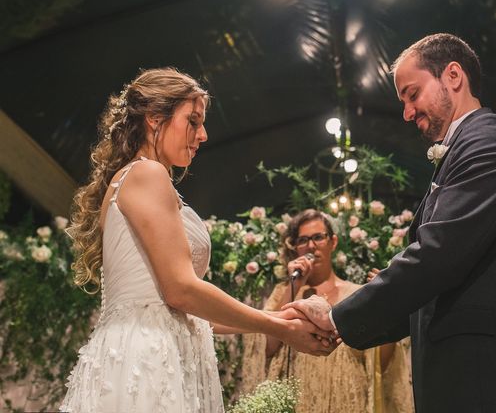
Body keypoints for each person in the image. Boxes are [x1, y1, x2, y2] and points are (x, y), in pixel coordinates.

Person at [284, 34, 496, 412]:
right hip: (460, 379)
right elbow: (429, 291)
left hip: (487, 378)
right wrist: (345, 324)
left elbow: (438, 255)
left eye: (412, 94)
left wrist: (337, 316)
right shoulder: (464, 149)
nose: (407, 112)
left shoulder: (491, 140)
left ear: (453, 76)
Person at [60, 68, 334, 413]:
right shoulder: (147, 174)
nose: (203, 135)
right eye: (193, 121)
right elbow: (181, 290)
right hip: (148, 359)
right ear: (154, 119)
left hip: (156, 350)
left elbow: (181, 308)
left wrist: (278, 318)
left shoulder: (137, 179)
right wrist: (279, 327)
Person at [241, 209, 413, 413]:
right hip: (297, 400)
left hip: (347, 399)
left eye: (318, 237)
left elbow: (380, 365)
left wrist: (383, 305)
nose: (311, 246)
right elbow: (266, 348)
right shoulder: (284, 292)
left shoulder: (358, 294)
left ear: (333, 241)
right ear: (295, 248)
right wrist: (294, 285)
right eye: (302, 240)